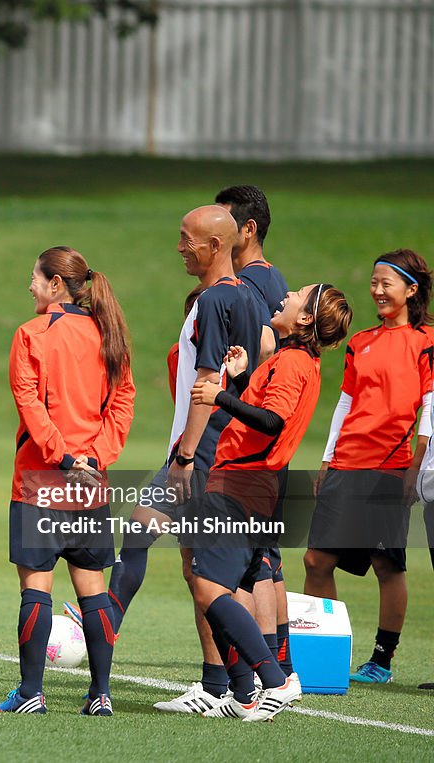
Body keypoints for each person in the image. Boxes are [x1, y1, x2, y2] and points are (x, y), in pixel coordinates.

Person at [107, 205, 263, 714]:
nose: (179, 247)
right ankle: (226, 687)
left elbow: (209, 383)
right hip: (226, 455)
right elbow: (258, 358)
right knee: (200, 573)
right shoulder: (249, 299)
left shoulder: (214, 298)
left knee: (150, 539)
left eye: (186, 239)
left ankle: (98, 635)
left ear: (215, 246)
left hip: (202, 455)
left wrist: (185, 457)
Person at [189, 283, 352, 720]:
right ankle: (244, 693)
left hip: (243, 485)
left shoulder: (294, 362)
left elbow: (273, 421)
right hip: (251, 484)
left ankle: (274, 682)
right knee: (233, 588)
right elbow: (267, 410)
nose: (288, 293)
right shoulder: (293, 359)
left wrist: (218, 395)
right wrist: (243, 378)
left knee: (207, 586)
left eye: (299, 294)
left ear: (304, 319)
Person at [0, 246, 135, 716]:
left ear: (55, 284)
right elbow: (124, 401)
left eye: (34, 277)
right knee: (91, 587)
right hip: (92, 480)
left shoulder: (31, 333)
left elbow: (30, 405)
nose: (28, 285)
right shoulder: (106, 332)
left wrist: (64, 455)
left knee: (37, 587)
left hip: (39, 478)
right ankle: (101, 696)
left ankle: (31, 693)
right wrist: (96, 456)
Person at [305, 249, 434, 685]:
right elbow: (345, 402)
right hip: (346, 462)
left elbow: (430, 405)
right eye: (374, 282)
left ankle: (381, 660)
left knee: (386, 564)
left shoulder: (426, 341)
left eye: (387, 283)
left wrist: (415, 466)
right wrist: (327, 457)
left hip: (390, 466)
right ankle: (322, 655)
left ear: (410, 289)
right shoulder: (360, 341)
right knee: (316, 560)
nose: (377, 291)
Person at [215, 184, 297, 687]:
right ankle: (280, 669)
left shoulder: (250, 283)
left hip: (247, 442)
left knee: (246, 564)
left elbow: (264, 352)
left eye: (223, 222)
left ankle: (254, 677)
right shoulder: (271, 278)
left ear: (247, 230)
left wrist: (235, 395)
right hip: (262, 444)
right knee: (266, 558)